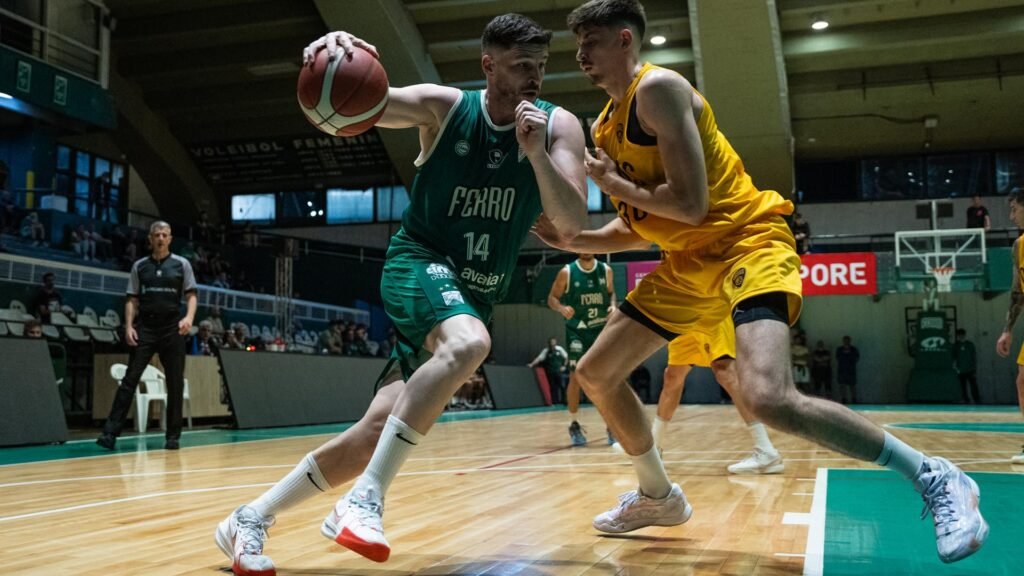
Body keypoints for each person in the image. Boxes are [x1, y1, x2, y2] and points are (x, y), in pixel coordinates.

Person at [529, 0, 984, 561]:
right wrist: (575, 239)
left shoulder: (659, 90)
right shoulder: (605, 125)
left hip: (749, 241)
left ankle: (935, 475)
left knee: (767, 396)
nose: (581, 56)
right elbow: (643, 226)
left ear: (625, 40)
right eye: (577, 45)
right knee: (596, 372)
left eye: (591, 42)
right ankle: (657, 494)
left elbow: (692, 205)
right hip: (689, 263)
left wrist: (615, 188)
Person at [214, 15, 587, 574]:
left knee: (374, 432)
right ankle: (363, 501)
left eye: (540, 65)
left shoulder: (559, 128)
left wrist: (535, 155)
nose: (534, 76)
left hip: (474, 292)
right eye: (519, 65)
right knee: (468, 345)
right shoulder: (446, 107)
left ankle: (250, 517)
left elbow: (571, 221)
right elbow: (359, 105)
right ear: (488, 65)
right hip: (420, 263)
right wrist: (331, 56)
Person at [611, 324, 784, 475]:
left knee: (725, 372)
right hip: (685, 317)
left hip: (709, 307)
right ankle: (654, 448)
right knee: (672, 376)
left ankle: (766, 450)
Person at [96, 221, 197, 451]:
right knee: (129, 380)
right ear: (150, 239)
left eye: (164, 234)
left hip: (172, 326)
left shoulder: (182, 265)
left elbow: (191, 295)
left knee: (174, 382)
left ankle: (172, 437)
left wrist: (189, 318)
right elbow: (131, 298)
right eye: (156, 235)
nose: (160, 238)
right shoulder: (139, 266)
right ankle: (109, 434)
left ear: (170, 238)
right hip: (146, 327)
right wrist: (129, 326)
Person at [545, 253, 617, 445]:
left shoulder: (606, 270)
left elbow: (611, 293)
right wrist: (561, 308)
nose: (586, 248)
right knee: (576, 377)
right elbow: (552, 298)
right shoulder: (567, 272)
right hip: (577, 331)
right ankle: (574, 423)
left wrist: (612, 306)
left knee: (604, 379)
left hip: (600, 329)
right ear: (576, 248)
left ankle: (612, 425)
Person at [994, 187, 1024, 464]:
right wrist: (1008, 329)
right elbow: (1018, 291)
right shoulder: (1019, 246)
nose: (1011, 215)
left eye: (1014, 208)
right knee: (1022, 380)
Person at [951, 329, 980, 404]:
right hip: (960, 370)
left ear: (964, 335)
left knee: (973, 385)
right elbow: (953, 357)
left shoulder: (970, 344)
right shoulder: (956, 346)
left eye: (962, 335)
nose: (961, 337)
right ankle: (966, 400)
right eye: (959, 335)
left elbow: (973, 356)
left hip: (970, 369)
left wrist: (974, 368)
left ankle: (977, 400)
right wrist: (956, 368)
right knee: (962, 386)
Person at [836, 336, 860, 404]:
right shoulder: (839, 349)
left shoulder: (854, 349)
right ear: (843, 341)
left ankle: (854, 399)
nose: (846, 342)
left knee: (852, 386)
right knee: (842, 385)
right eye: (845, 340)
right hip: (842, 370)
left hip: (851, 370)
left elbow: (857, 358)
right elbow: (838, 358)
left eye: (847, 340)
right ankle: (844, 399)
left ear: (850, 341)